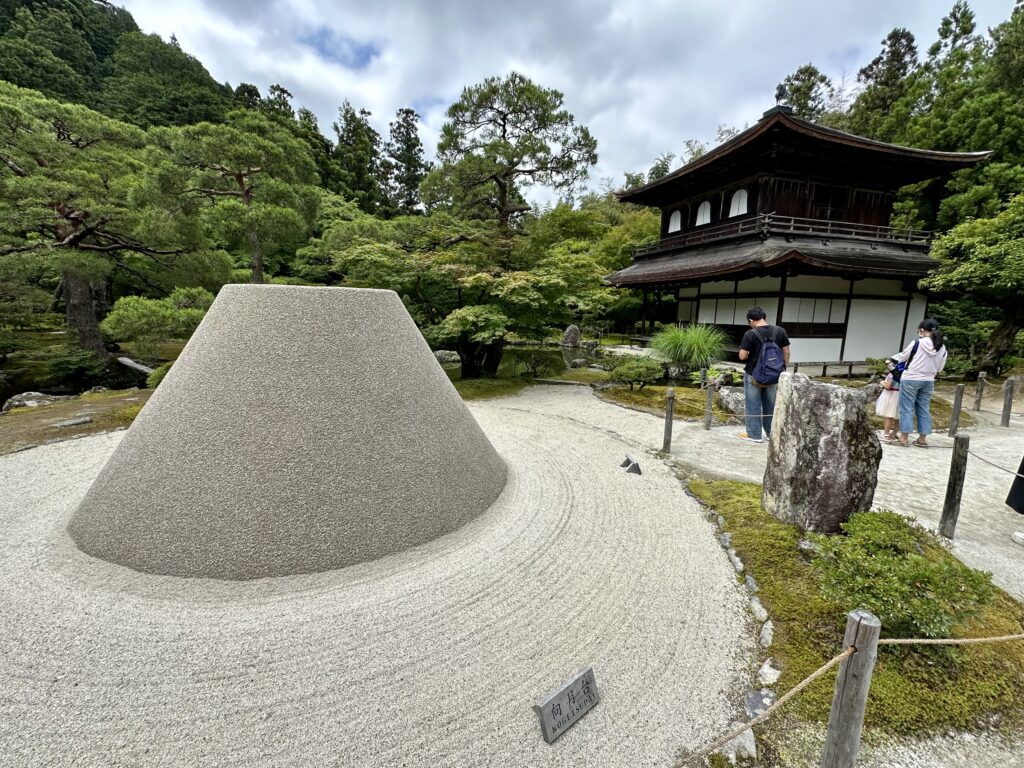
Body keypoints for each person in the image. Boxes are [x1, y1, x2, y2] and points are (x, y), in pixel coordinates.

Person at [737, 306, 791, 443]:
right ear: (764, 317)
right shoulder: (780, 331)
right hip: (773, 375)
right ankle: (771, 433)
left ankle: (754, 435)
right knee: (771, 405)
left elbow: (742, 356)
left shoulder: (750, 334)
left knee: (753, 404)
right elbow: (786, 352)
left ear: (751, 320)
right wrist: (781, 370)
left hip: (753, 375)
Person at [894, 318, 947, 448]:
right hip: (928, 380)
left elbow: (902, 357)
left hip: (911, 378)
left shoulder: (917, 343)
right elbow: (940, 368)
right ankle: (922, 439)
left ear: (922, 330)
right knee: (923, 408)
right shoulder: (942, 347)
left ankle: (904, 437)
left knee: (906, 408)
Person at [875, 357, 901, 442]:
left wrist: (881, 382)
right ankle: (893, 434)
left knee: (889, 416)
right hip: (901, 395)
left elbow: (888, 386)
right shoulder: (903, 373)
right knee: (898, 416)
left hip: (891, 395)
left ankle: (886, 434)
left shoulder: (892, 374)